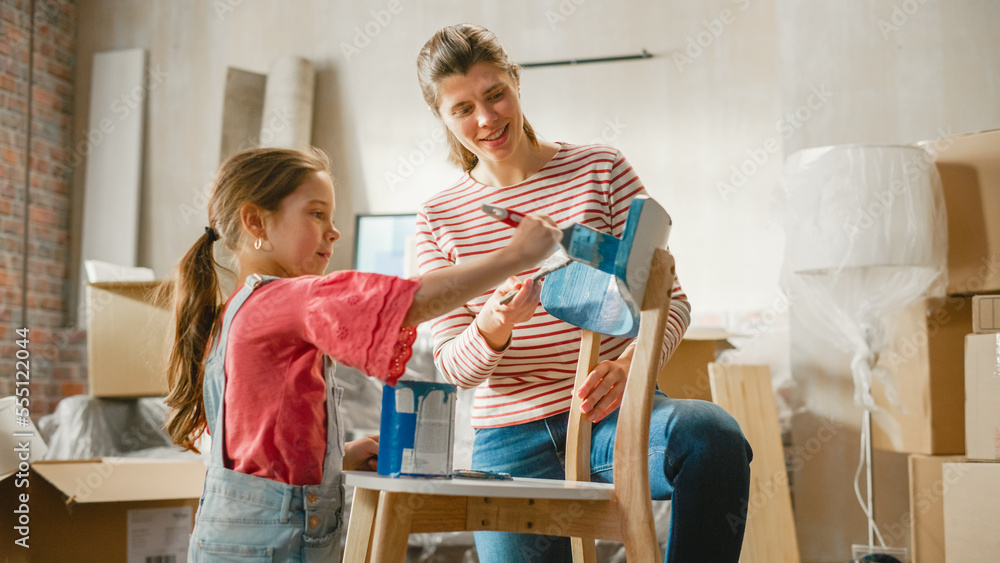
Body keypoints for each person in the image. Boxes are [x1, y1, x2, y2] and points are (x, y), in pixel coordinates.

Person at [415, 24, 753, 562]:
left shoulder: (600, 169)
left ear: (516, 82)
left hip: (611, 420)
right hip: (509, 442)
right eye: (462, 109)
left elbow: (673, 301)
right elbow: (453, 366)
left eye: (495, 93)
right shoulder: (438, 218)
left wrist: (631, 369)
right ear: (441, 117)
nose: (486, 119)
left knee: (712, 437)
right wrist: (493, 327)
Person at [163, 147, 562, 562]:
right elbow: (412, 301)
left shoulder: (237, 311)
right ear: (256, 221)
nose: (333, 232)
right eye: (316, 214)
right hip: (273, 543)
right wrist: (514, 255)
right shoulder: (289, 299)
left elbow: (260, 441)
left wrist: (337, 456)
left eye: (332, 218)